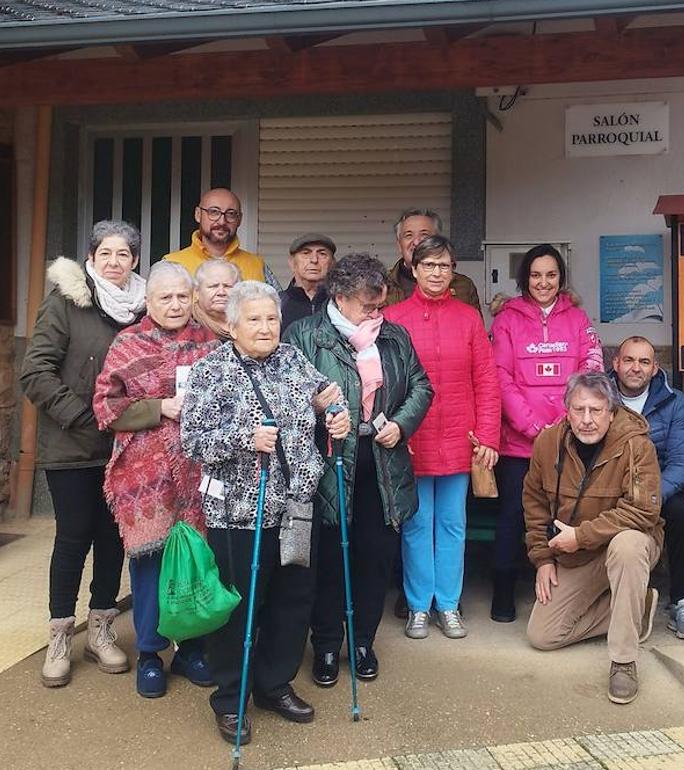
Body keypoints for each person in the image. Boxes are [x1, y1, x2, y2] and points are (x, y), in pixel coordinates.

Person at [181, 280, 350, 746]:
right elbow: (192, 440)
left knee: (293, 600)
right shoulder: (210, 370)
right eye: (253, 319)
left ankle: (274, 684)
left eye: (271, 318)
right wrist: (243, 438)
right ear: (232, 324)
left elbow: (327, 398)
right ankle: (232, 698)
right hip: (238, 512)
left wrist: (337, 414)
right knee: (239, 608)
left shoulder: (294, 360)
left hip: (295, 506)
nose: (265, 326)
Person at [284, 253, 433, 686]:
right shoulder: (306, 335)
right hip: (329, 462)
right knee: (330, 558)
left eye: (380, 304)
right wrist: (318, 411)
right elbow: (289, 391)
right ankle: (327, 644)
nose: (377, 314)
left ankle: (363, 641)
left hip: (383, 462)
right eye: (369, 306)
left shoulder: (395, 336)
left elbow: (421, 384)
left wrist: (402, 424)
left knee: (374, 557)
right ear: (342, 297)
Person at [20, 220, 146, 688]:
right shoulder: (67, 302)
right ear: (91, 258)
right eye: (106, 254)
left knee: (114, 539)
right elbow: (35, 372)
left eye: (124, 255)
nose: (115, 263)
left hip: (125, 448)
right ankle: (59, 634)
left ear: (136, 260)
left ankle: (101, 628)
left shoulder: (143, 308)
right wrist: (84, 416)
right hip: (74, 443)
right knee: (74, 537)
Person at [92, 262, 219, 698]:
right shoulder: (128, 343)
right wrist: (160, 407)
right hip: (144, 477)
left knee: (197, 562)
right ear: (149, 301)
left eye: (183, 296)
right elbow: (106, 406)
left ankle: (192, 649)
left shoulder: (213, 344)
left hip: (201, 473)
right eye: (165, 297)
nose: (175, 304)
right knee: (149, 566)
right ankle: (150, 653)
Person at [383, 235, 500, 640]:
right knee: (416, 524)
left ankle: (448, 605)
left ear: (454, 271)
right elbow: (385, 383)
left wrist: (487, 436)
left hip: (460, 438)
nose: (436, 273)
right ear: (413, 270)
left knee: (452, 524)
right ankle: (418, 606)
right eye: (428, 265)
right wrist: (398, 429)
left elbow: (486, 379)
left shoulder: (468, 317)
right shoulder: (394, 318)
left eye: (444, 266)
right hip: (413, 438)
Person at [523, 372, 663, 705]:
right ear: (567, 411)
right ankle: (634, 607)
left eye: (596, 410)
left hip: (626, 545)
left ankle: (624, 661)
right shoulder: (547, 443)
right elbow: (534, 503)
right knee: (542, 636)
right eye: (579, 410)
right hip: (578, 553)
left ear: (612, 412)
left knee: (627, 546)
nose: (587, 420)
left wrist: (582, 536)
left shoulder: (636, 445)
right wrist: (542, 558)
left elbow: (643, 512)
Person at [489, 244, 604, 623]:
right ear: (525, 278)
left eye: (551, 275)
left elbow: (592, 367)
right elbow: (501, 378)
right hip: (520, 443)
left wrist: (565, 424)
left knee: (566, 513)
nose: (543, 282)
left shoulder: (578, 318)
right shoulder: (507, 319)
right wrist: (534, 428)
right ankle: (503, 591)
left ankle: (560, 592)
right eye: (536, 275)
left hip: (568, 440)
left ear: (561, 278)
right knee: (513, 516)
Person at [608, 336, 684, 639]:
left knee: (683, 516)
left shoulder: (674, 402)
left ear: (654, 368)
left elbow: (683, 462)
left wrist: (650, 496)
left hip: (657, 486)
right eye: (629, 360)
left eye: (644, 362)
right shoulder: (600, 396)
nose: (635, 368)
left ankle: (682, 602)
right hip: (608, 485)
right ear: (616, 364)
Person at [164, 187, 280, 289]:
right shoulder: (171, 264)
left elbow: (279, 308)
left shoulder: (257, 265)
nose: (222, 221)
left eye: (231, 214)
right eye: (214, 212)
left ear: (239, 220)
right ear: (198, 215)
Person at [382, 208, 481, 311]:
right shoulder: (381, 284)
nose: (416, 242)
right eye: (408, 235)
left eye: (424, 235)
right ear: (399, 245)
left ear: (438, 242)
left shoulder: (463, 286)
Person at [280, 233, 335, 334]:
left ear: (332, 263)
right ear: (292, 263)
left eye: (322, 254)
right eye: (306, 253)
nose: (314, 260)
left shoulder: (342, 304)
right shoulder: (277, 304)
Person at [192, 259, 240, 340]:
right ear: (197, 292)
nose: (221, 292)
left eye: (227, 286)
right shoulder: (187, 324)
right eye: (213, 286)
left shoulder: (247, 320)